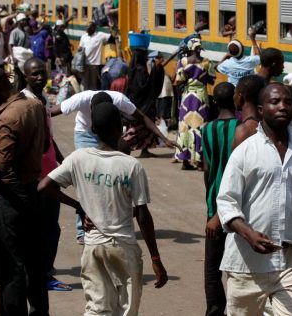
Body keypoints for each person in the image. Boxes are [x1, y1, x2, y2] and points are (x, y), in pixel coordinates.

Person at [40, 102, 168, 314]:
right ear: (121, 128)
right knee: (126, 309)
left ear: (93, 130)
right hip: (123, 246)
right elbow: (143, 216)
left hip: (93, 246)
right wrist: (156, 259)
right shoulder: (131, 166)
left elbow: (44, 185)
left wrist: (79, 207)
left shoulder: (78, 158)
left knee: (97, 309)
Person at [216, 83, 292, 315]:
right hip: (247, 266)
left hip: (288, 263)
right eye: (275, 102)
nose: (283, 107)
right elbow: (226, 202)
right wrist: (249, 234)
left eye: (288, 102)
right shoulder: (245, 151)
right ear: (261, 110)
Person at [52, 90, 176, 243]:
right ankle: (83, 230)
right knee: (86, 179)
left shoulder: (119, 99)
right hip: (84, 134)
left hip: (109, 132)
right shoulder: (81, 98)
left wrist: (164, 138)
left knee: (109, 176)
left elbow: (142, 117)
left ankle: (109, 221)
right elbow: (50, 112)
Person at [0, 66, 50, 316]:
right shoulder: (35, 105)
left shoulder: (7, 117)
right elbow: (46, 145)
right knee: (35, 267)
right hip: (34, 191)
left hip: (11, 198)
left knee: (10, 270)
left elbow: (3, 163)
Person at [20, 57, 70, 292]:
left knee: (50, 226)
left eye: (43, 73)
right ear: (25, 76)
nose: (40, 77)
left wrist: (61, 160)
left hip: (51, 172)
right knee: (45, 227)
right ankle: (42, 274)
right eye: (34, 74)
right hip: (36, 176)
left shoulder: (41, 99)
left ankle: (40, 270)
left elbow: (48, 137)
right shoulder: (26, 103)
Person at [201, 82, 238, 316]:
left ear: (214, 103)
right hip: (238, 205)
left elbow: (206, 169)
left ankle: (214, 310)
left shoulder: (207, 129)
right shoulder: (244, 128)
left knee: (212, 266)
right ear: (237, 100)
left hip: (214, 202)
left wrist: (210, 199)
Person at [174, 38, 215, 170]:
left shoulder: (182, 62)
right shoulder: (206, 62)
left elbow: (179, 80)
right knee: (200, 127)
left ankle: (185, 161)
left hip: (187, 97)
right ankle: (200, 161)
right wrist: (201, 76)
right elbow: (212, 81)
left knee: (185, 127)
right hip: (201, 98)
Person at [231, 75, 267, 149]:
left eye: (235, 93)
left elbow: (237, 160)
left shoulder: (243, 130)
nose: (233, 96)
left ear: (240, 97)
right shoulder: (267, 124)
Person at [79, 21, 115, 90]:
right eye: (85, 27)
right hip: (85, 64)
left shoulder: (100, 35)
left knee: (93, 83)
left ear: (93, 28)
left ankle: (92, 98)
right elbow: (80, 48)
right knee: (84, 83)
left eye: (87, 27)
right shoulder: (84, 36)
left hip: (95, 64)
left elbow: (111, 37)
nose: (86, 29)